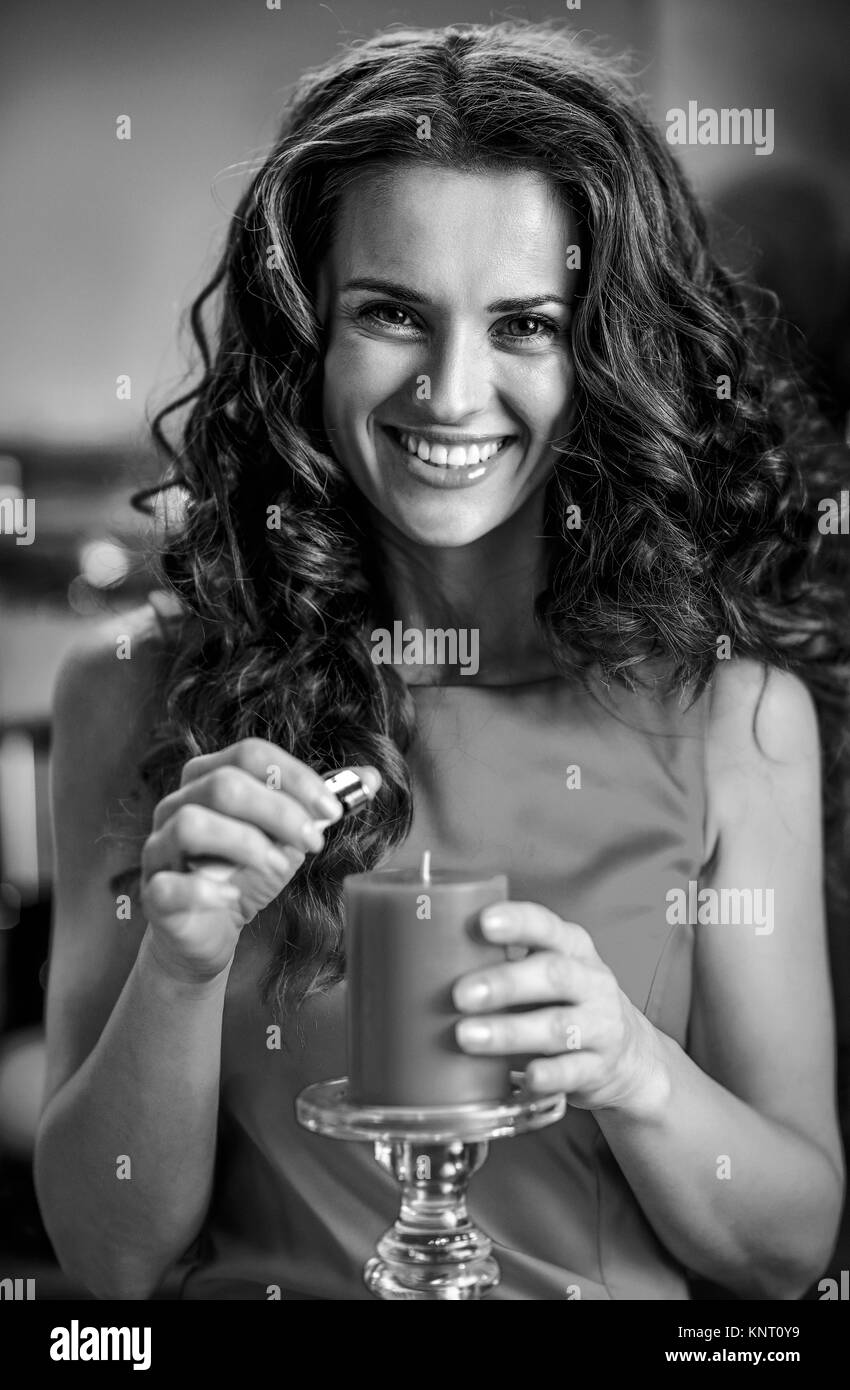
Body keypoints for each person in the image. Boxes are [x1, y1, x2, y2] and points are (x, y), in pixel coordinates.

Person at [34, 21, 849, 1300]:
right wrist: (179, 966)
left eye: (526, 323)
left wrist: (634, 1069)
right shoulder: (131, 696)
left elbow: (789, 1249)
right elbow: (106, 1259)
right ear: (309, 337)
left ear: (606, 351)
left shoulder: (735, 722)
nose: (453, 391)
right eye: (392, 314)